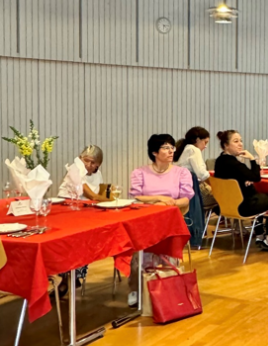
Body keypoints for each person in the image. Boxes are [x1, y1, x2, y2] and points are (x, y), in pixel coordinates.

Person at [128, 134, 195, 307]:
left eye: (172, 147)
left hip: (170, 221)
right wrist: (158, 198)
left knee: (164, 239)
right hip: (144, 220)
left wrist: (171, 202)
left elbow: (186, 199)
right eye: (166, 147)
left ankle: (166, 284)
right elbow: (135, 197)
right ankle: (136, 287)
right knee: (136, 243)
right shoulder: (139, 172)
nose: (171, 150)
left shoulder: (182, 172)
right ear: (154, 152)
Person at [56, 145, 112, 297]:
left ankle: (73, 275)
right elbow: (91, 195)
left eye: (92, 162)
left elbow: (100, 193)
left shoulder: (97, 174)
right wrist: (110, 200)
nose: (88, 165)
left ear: (98, 164)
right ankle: (68, 276)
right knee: (70, 241)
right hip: (67, 212)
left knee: (86, 238)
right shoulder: (75, 169)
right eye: (85, 161)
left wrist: (107, 198)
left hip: (87, 213)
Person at [214, 130, 268, 249]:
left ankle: (259, 234)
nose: (240, 144)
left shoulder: (220, 161)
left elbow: (240, 177)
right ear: (226, 145)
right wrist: (252, 159)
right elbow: (256, 177)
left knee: (259, 195)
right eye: (236, 141)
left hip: (225, 205)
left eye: (241, 141)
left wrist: (245, 179)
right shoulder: (234, 164)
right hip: (241, 206)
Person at [174, 126, 215, 206]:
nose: (205, 146)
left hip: (183, 191)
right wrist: (216, 186)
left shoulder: (184, 149)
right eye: (205, 142)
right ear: (197, 139)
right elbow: (202, 174)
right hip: (196, 191)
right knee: (225, 196)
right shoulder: (194, 150)